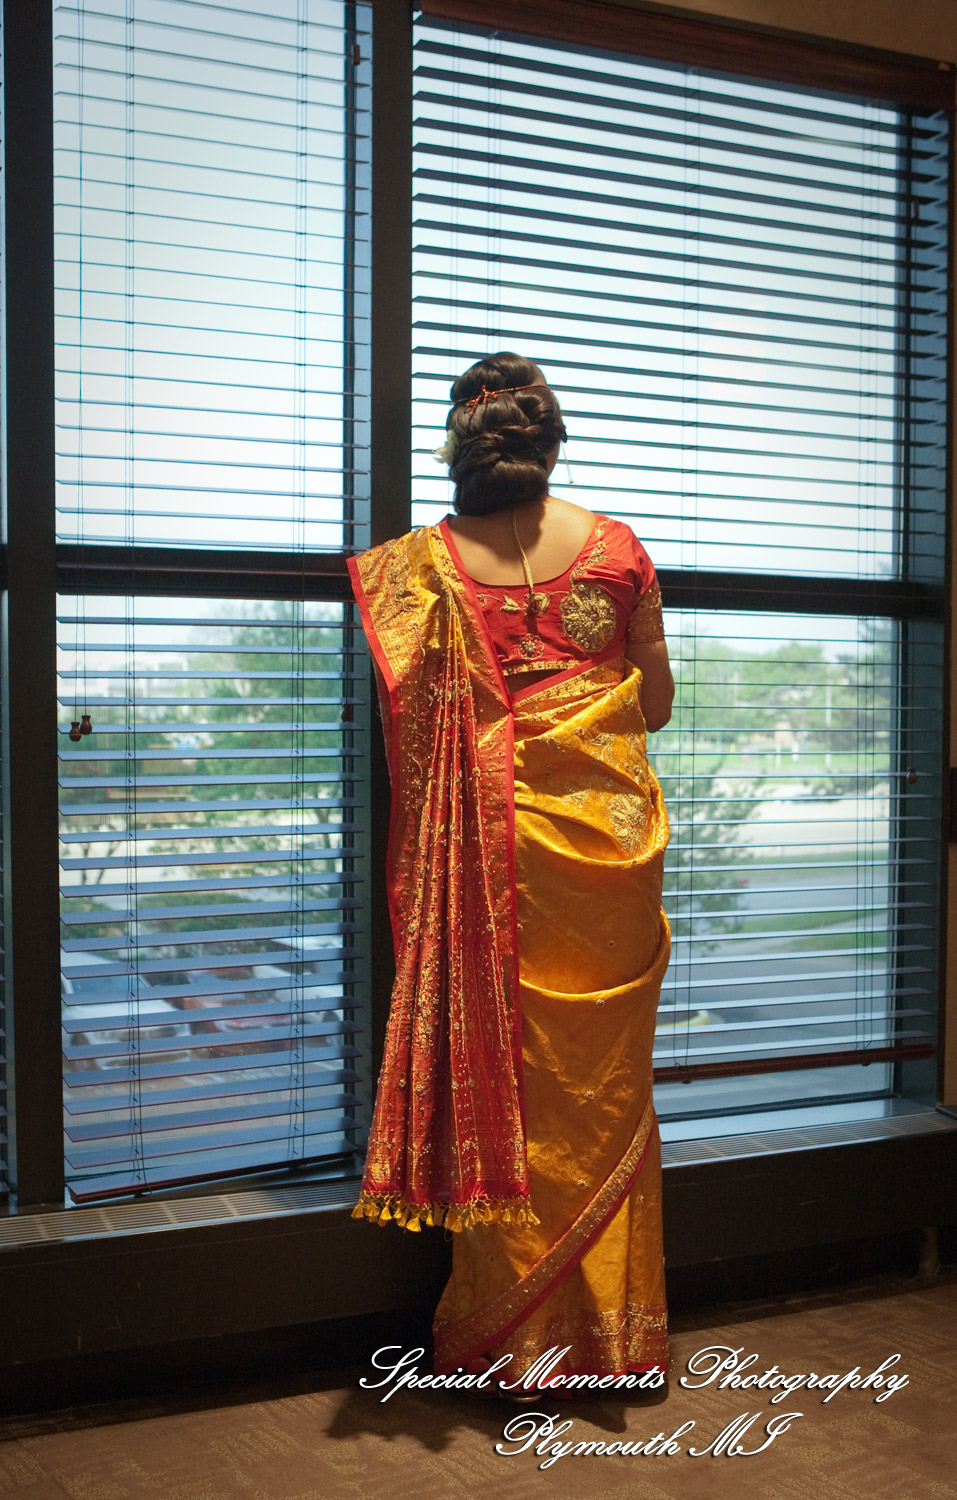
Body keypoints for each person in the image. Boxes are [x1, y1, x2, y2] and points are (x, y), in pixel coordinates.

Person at [347, 352, 674, 1392]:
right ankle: (611, 1336)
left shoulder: (419, 568)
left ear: (461, 448)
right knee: (604, 1091)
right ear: (551, 441)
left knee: (503, 1079)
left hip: (487, 860)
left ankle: (514, 1341)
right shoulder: (617, 550)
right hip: (608, 853)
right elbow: (655, 703)